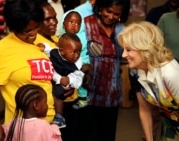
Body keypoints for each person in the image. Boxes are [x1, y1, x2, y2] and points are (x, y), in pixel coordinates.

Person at [118, 21, 179, 141]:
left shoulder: (170, 73)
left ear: (145, 49)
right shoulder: (135, 71)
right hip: (172, 120)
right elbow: (145, 109)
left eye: (128, 49)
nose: (123, 55)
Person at [0, 0, 56, 140]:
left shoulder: (44, 42)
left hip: (47, 126)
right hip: (21, 130)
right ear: (14, 28)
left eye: (36, 27)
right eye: (27, 31)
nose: (33, 33)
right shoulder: (0, 52)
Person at [83, 0, 130, 140]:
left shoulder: (121, 29)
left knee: (108, 135)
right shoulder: (86, 24)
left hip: (112, 95)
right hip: (90, 94)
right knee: (88, 135)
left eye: (116, 14)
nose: (111, 17)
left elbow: (127, 54)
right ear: (101, 7)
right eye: (108, 11)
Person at [38, 32, 85, 128]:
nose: (77, 55)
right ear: (62, 51)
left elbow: (78, 76)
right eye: (74, 52)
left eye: (79, 52)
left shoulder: (77, 63)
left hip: (62, 83)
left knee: (58, 93)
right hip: (51, 78)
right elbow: (49, 50)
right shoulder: (56, 52)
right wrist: (43, 46)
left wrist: (69, 79)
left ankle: (59, 117)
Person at [61, 10, 92, 109]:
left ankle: (83, 98)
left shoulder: (80, 38)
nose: (74, 26)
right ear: (63, 24)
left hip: (83, 62)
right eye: (71, 22)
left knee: (81, 77)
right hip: (74, 61)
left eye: (78, 24)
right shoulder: (62, 37)